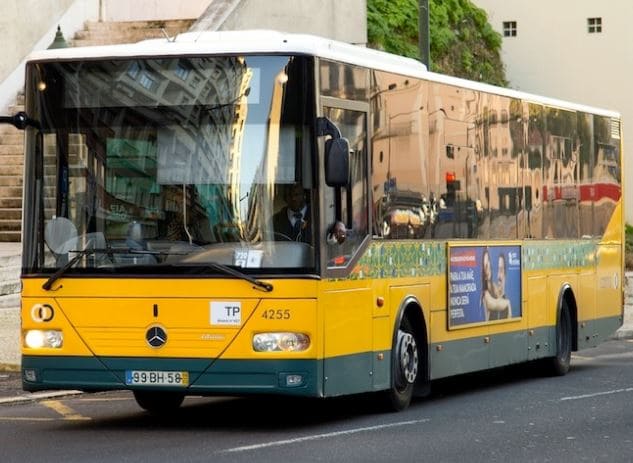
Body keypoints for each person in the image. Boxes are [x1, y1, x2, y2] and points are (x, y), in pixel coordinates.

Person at [481, 248, 511, 321]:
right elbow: (495, 304)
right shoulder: (485, 293)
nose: (487, 269)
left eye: (488, 263)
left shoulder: (494, 286)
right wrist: (508, 303)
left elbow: (500, 296)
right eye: (485, 266)